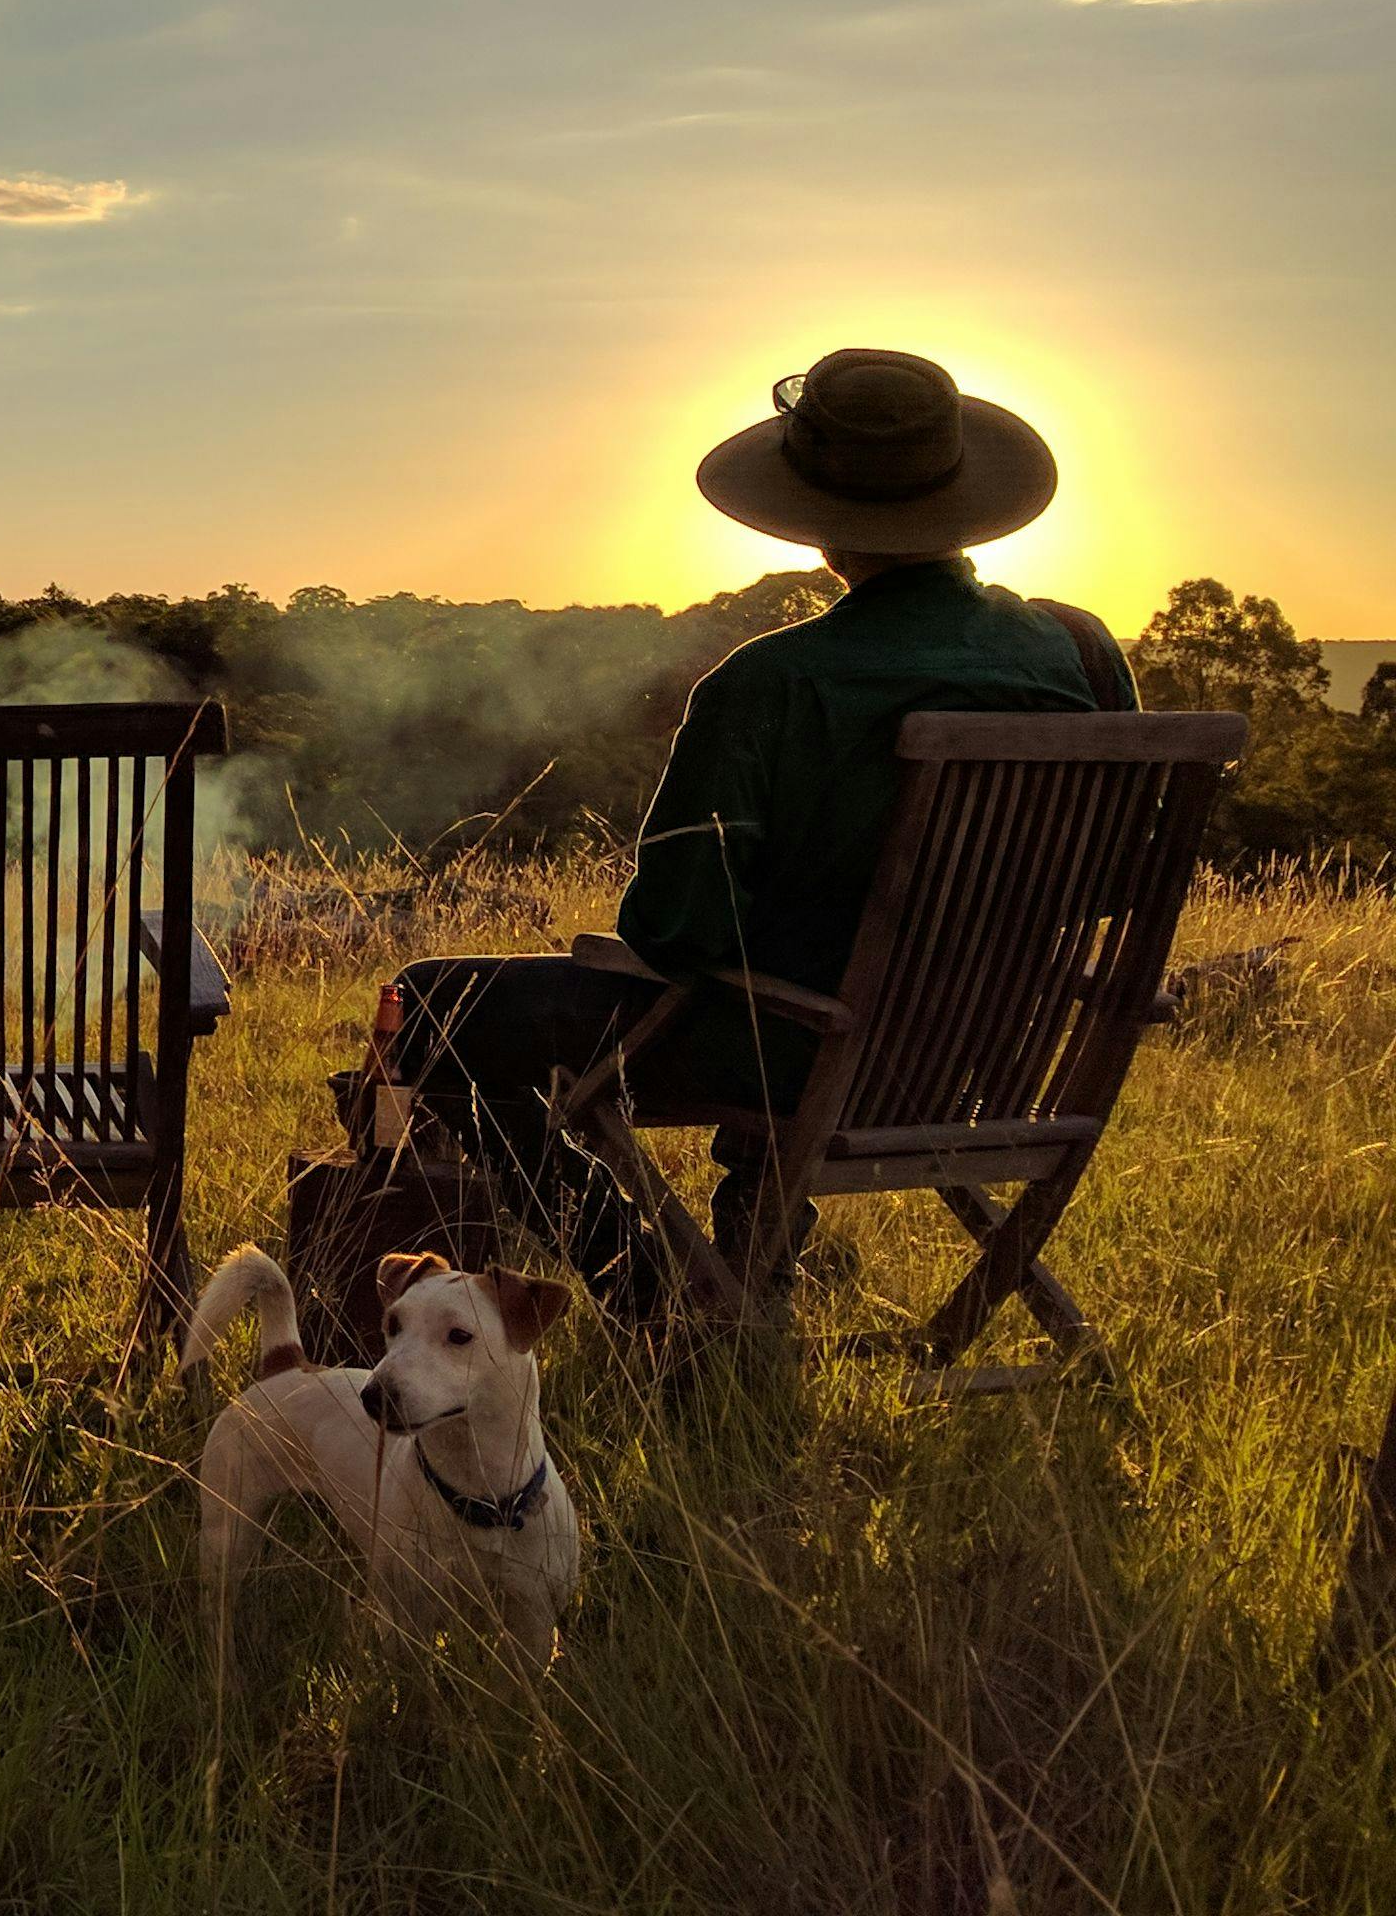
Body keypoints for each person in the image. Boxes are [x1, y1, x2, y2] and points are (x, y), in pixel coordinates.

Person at [356, 348, 1134, 1321]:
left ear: (820, 524)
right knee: (782, 984)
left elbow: (676, 933)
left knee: (431, 1004)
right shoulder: (1083, 654)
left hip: (801, 1054)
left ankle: (652, 1286)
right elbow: (1119, 881)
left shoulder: (770, 683)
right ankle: (749, 1261)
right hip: (991, 1053)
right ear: (960, 498)